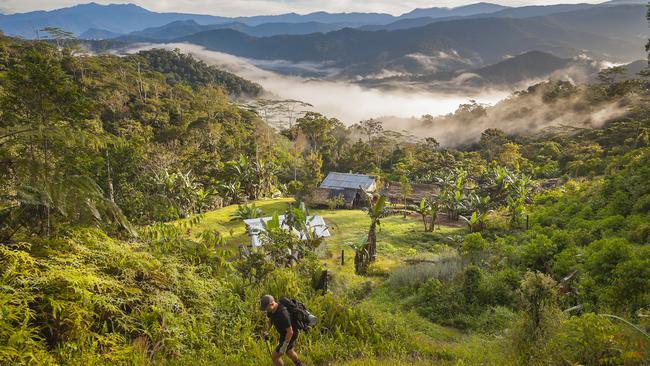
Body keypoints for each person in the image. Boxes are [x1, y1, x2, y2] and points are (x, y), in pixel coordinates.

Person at [260, 295, 304, 366]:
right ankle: (300, 364)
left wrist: (284, 345)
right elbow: (271, 320)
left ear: (272, 304)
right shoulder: (271, 310)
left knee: (275, 357)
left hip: (290, 334)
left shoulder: (283, 313)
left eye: (266, 307)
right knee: (289, 351)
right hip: (284, 334)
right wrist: (267, 331)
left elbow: (290, 331)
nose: (265, 310)